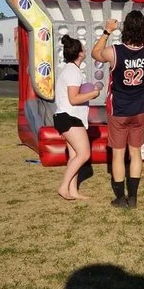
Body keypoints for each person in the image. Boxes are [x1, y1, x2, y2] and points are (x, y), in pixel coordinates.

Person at [91, 11, 144, 209]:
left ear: (125, 29)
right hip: (140, 109)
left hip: (119, 109)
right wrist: (143, 41)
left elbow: (95, 53)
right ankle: (134, 198)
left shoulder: (114, 51)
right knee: (136, 153)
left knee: (119, 155)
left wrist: (107, 31)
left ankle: (121, 198)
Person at [54, 34, 100, 200]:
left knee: (74, 156)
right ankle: (63, 187)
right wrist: (93, 94)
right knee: (84, 154)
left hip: (64, 117)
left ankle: (73, 191)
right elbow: (73, 99)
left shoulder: (69, 69)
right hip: (70, 117)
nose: (85, 50)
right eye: (83, 47)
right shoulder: (73, 72)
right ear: (79, 53)